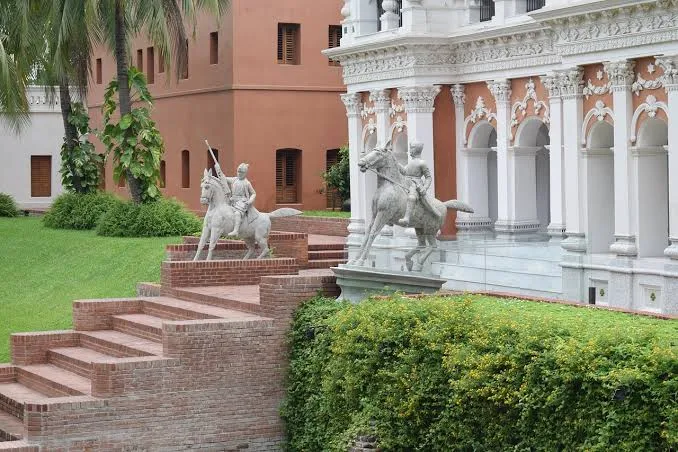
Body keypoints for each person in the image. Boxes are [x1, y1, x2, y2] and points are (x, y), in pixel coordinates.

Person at [396, 142, 436, 227]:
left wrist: (425, 188)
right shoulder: (411, 162)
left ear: (417, 149)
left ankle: (407, 218)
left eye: (412, 148)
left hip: (415, 185)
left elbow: (428, 177)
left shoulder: (422, 163)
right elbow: (404, 171)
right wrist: (396, 163)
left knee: (411, 197)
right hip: (406, 182)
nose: (410, 150)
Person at [214, 162, 256, 237]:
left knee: (237, 213)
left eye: (241, 172)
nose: (239, 174)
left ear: (245, 173)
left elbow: (253, 193)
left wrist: (250, 201)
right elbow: (223, 178)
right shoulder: (234, 180)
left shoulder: (247, 183)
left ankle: (236, 230)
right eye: (238, 172)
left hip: (242, 202)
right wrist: (218, 169)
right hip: (232, 200)